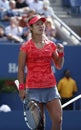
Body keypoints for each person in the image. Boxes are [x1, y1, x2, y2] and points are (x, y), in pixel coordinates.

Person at [17, 14, 64, 130]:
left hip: (50, 87)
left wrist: (61, 53)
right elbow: (21, 69)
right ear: (31, 28)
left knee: (58, 120)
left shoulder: (51, 45)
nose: (41, 26)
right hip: (33, 90)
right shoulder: (25, 47)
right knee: (39, 125)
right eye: (37, 24)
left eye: (42, 24)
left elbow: (58, 65)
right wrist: (22, 88)